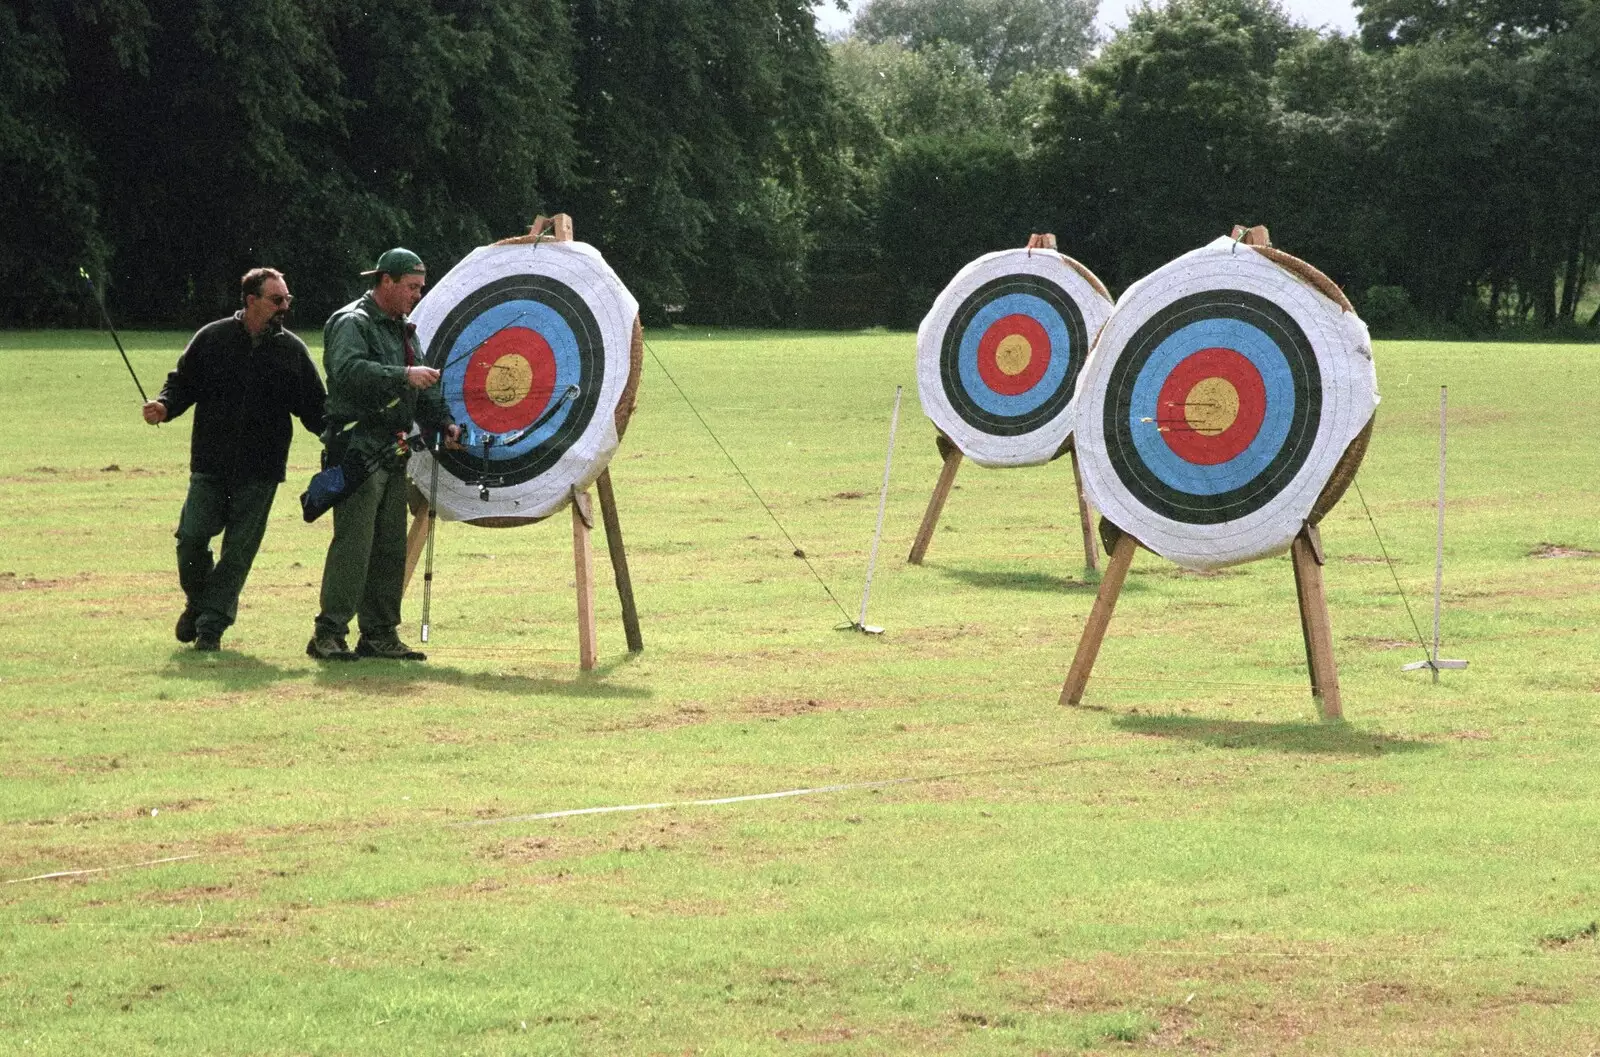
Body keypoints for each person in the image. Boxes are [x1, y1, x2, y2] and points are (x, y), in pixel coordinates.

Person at [144, 268, 326, 651]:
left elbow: (315, 407)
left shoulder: (291, 350)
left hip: (261, 469)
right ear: (251, 301)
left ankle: (211, 627)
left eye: (287, 300)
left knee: (237, 553)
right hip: (210, 463)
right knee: (191, 539)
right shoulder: (212, 338)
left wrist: (338, 437)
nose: (285, 307)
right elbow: (182, 383)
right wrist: (163, 405)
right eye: (277, 300)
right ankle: (198, 602)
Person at [308, 248, 459, 662]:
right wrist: (403, 375)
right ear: (386, 282)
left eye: (420, 288)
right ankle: (328, 633)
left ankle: (379, 634)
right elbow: (348, 372)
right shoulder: (351, 322)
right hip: (357, 446)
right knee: (355, 543)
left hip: (393, 449)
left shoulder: (404, 330)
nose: (416, 295)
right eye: (411, 287)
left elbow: (424, 385)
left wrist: (444, 421)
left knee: (389, 545)